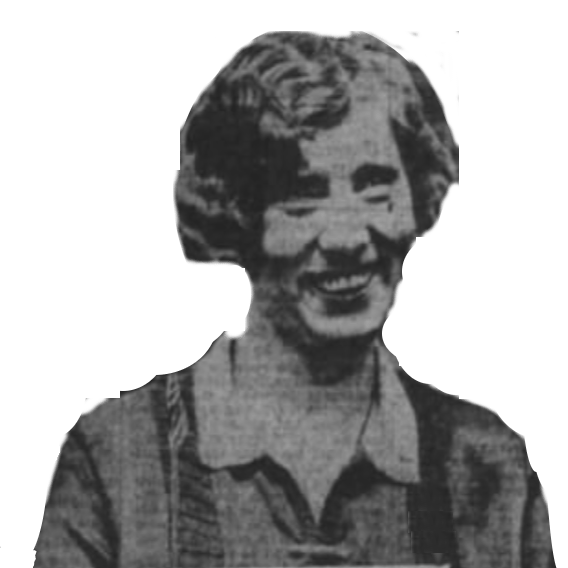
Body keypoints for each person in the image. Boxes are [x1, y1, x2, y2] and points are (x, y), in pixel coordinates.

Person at [34, 31, 555, 567]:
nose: (347, 238)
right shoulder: (117, 458)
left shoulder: (488, 466)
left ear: (418, 198)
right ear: (236, 215)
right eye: (302, 197)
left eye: (375, 187)